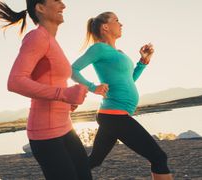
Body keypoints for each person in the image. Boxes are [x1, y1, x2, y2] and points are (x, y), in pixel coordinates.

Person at [0, 1, 92, 180]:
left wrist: (67, 102)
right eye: (56, 1)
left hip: (66, 127)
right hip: (46, 135)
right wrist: (63, 94)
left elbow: (48, 81)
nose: (63, 5)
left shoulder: (51, 40)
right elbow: (15, 81)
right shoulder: (37, 37)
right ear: (40, 8)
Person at [71, 12, 173, 180]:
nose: (121, 24)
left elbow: (128, 80)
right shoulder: (98, 48)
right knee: (159, 157)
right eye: (116, 20)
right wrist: (92, 87)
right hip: (114, 115)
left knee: (94, 161)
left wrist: (143, 62)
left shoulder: (119, 52)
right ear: (105, 27)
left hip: (113, 115)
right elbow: (72, 69)